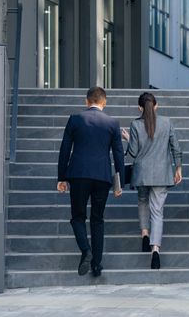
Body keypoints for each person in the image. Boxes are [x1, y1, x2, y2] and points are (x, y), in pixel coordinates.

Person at [57, 87, 125, 278]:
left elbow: (64, 150)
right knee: (97, 219)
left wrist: (61, 177)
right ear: (104, 102)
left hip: (78, 175)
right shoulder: (113, 123)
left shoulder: (75, 119)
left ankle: (85, 250)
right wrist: (120, 183)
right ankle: (96, 264)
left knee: (77, 217)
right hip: (102, 177)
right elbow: (118, 155)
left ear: (87, 101)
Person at [121, 92, 182, 270]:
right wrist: (178, 167)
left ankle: (144, 234)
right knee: (157, 211)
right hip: (162, 174)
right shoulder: (166, 122)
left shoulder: (135, 124)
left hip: (142, 174)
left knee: (142, 201)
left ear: (140, 107)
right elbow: (175, 147)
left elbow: (132, 152)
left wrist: (127, 139)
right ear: (156, 106)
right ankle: (155, 249)